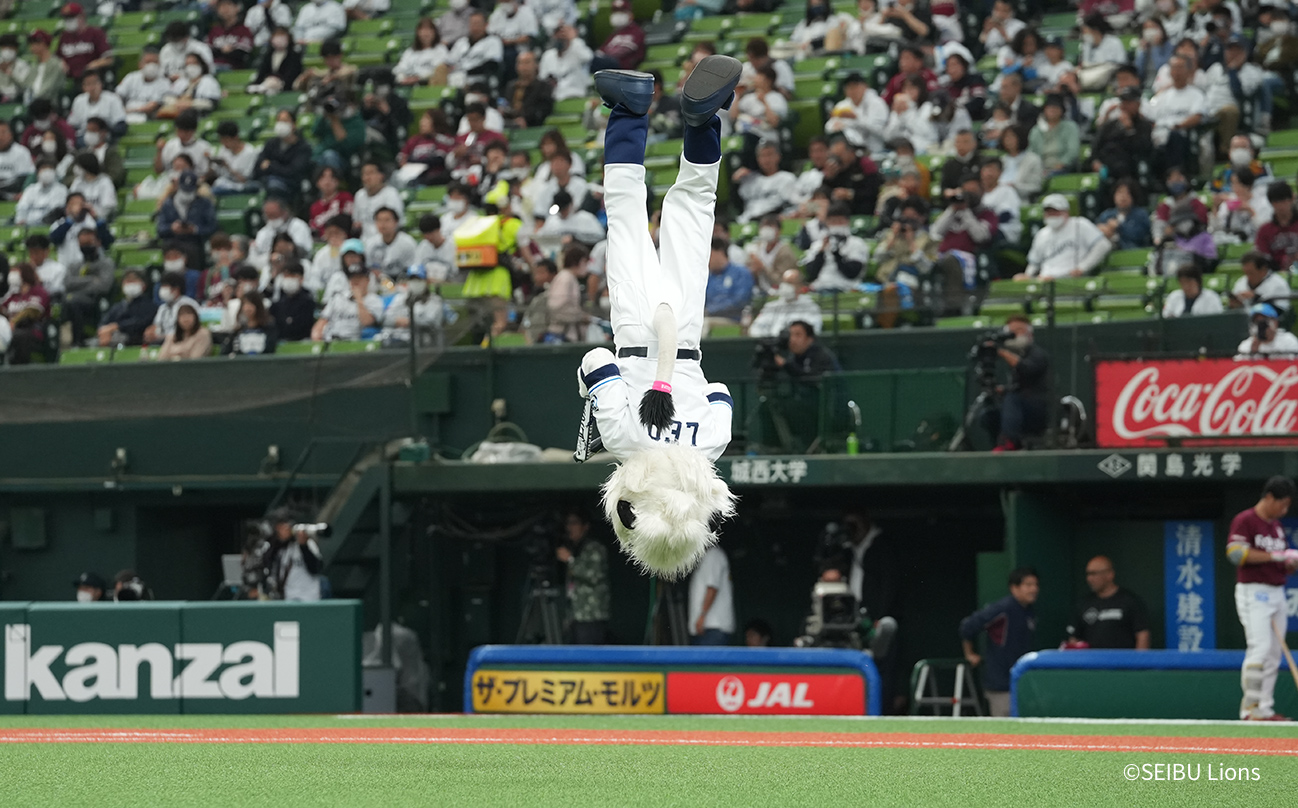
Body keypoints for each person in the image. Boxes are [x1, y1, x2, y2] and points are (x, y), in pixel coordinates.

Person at [574, 60, 741, 577]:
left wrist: (671, 390)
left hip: (687, 329)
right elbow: (597, 360)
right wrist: (588, 405)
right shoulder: (625, 441)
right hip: (636, 327)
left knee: (694, 208)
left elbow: (720, 393)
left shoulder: (712, 446)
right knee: (625, 214)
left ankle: (703, 121)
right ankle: (628, 107)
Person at [1227, 476, 1298, 721]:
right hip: (1253, 590)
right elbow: (1235, 554)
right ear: (1269, 497)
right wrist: (1276, 556)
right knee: (1260, 647)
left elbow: (1279, 559)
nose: (1284, 509)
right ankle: (1250, 709)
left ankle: (1264, 708)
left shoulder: (1276, 527)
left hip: (1276, 591)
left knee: (1274, 653)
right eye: (1282, 503)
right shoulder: (1245, 519)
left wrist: (1288, 562)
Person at [959, 567, 1039, 717]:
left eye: (1036, 585)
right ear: (1014, 588)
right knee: (1005, 733)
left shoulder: (1029, 611)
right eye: (1028, 585)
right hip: (1001, 685)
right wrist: (969, 653)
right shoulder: (1003, 608)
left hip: (1022, 684)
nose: (1034, 589)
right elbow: (967, 626)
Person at [1066, 556, 1151, 650]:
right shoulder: (1083, 604)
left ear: (1110, 574)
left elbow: (1142, 635)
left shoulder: (1130, 601)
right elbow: (1074, 638)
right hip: (1092, 662)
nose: (1089, 578)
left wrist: (1138, 662)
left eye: (1094, 574)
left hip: (1123, 662)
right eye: (1088, 574)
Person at [1018, 194, 1110, 279]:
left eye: (1055, 211)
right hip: (1045, 280)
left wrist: (1083, 267)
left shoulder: (1079, 224)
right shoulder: (1041, 234)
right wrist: (1027, 276)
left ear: (1066, 212)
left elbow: (1103, 245)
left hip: (1072, 280)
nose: (1052, 215)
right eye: (1048, 212)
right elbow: (1034, 263)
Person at [556, 510, 610, 644]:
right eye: (568, 523)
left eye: (574, 523)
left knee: (590, 657)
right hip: (574, 615)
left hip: (591, 615)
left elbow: (593, 576)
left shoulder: (595, 548)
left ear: (585, 526)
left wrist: (570, 560)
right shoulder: (574, 548)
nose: (569, 528)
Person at [1148, 55, 1206, 175]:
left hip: (1181, 133)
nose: (1176, 72)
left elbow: (1197, 116)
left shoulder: (1196, 94)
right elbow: (1151, 116)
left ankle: (1175, 177)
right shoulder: (1162, 96)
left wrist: (1178, 126)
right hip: (1158, 134)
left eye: (1180, 68)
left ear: (1188, 71)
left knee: (1174, 137)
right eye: (1174, 68)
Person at [61, 228, 115, 341]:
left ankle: (77, 340)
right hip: (74, 299)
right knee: (68, 301)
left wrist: (77, 287)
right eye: (82, 244)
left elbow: (103, 286)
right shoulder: (74, 265)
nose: (86, 246)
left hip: (95, 301)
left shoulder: (106, 263)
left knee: (72, 300)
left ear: (98, 242)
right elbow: (67, 283)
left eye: (89, 243)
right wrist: (91, 279)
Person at [801, 202, 869, 292]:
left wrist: (836, 253)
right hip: (820, 287)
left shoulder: (857, 243)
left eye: (840, 221)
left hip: (846, 288)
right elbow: (811, 274)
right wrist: (821, 252)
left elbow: (852, 273)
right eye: (833, 221)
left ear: (847, 222)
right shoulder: (817, 245)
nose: (837, 224)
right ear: (827, 223)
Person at [312, 256, 383, 341]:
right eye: (352, 278)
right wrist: (316, 335)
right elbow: (322, 321)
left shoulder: (374, 300)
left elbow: (367, 322)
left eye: (359, 278)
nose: (355, 282)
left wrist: (359, 299)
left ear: (367, 280)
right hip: (330, 340)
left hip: (355, 343)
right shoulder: (338, 298)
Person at [266, 510, 324, 601]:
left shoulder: (309, 544)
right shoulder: (281, 548)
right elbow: (269, 561)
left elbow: (316, 569)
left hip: (308, 598)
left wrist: (303, 546)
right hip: (289, 598)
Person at [254, 110, 312, 200]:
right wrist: (279, 168)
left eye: (285, 121)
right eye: (279, 121)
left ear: (294, 124)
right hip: (267, 180)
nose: (281, 124)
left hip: (292, 185)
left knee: (274, 186)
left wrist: (270, 165)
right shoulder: (271, 143)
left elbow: (293, 172)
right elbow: (258, 166)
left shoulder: (303, 147)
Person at [733, 141, 795, 224]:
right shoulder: (750, 179)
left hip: (773, 221)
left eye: (769, 155)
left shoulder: (787, 178)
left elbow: (793, 205)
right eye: (762, 156)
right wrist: (734, 183)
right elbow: (737, 204)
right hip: (747, 220)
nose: (766, 160)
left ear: (778, 156)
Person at [1, 262, 50, 364]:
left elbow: (33, 311)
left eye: (15, 272)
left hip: (32, 330)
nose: (12, 275)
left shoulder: (39, 291)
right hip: (11, 329)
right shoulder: (14, 295)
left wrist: (14, 321)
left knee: (19, 336)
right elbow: (3, 309)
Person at [98, 270, 158, 347]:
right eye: (128, 281)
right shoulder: (118, 306)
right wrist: (104, 330)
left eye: (134, 281)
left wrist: (117, 326)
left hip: (134, 338)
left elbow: (140, 322)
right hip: (112, 336)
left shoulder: (149, 305)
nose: (131, 284)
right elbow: (104, 321)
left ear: (144, 285)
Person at [56, 3, 112, 81]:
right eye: (66, 18)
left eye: (71, 17)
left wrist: (94, 65)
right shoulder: (64, 36)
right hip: (72, 79)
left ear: (82, 16)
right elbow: (57, 58)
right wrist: (61, 63)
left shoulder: (95, 33)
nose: (68, 21)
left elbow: (108, 59)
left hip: (93, 78)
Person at [353, 162, 405, 242]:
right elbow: (357, 222)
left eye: (371, 173)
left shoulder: (391, 194)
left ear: (381, 176)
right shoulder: (359, 195)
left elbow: (397, 223)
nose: (367, 177)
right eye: (364, 174)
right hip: (364, 242)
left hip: (386, 241)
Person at [144, 272, 200, 346]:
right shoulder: (162, 308)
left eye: (165, 286)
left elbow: (190, 329)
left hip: (183, 342)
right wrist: (150, 332)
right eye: (162, 286)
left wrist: (164, 337)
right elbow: (156, 327)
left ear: (176, 289)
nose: (162, 290)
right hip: (163, 342)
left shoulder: (188, 304)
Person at [745, 216, 799, 290]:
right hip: (758, 289)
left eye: (770, 226)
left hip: (779, 291)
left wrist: (762, 267)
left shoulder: (785, 252)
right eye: (764, 226)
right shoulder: (755, 248)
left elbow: (782, 281)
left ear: (779, 231)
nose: (766, 230)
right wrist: (753, 270)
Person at [67, 71, 125, 138]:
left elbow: (121, 124)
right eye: (88, 84)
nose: (92, 88)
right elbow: (72, 124)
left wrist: (106, 133)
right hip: (84, 137)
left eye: (95, 83)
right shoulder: (78, 100)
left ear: (101, 84)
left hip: (106, 137)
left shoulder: (113, 99)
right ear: (83, 87)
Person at [591, 0, 645, 72]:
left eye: (622, 11)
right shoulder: (615, 34)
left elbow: (625, 52)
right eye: (615, 11)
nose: (618, 15)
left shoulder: (637, 31)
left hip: (623, 66)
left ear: (630, 14)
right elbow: (601, 51)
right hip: (609, 64)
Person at [155, 110, 212, 176]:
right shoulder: (170, 145)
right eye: (178, 130)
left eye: (184, 131)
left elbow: (206, 172)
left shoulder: (204, 147)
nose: (180, 134)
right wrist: (159, 151)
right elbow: (158, 170)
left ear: (192, 131)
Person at [269, 259, 315, 342]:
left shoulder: (308, 301)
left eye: (292, 276)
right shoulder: (277, 303)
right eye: (286, 276)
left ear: (301, 278)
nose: (289, 279)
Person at [116, 50, 172, 118]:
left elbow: (152, 106)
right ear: (140, 64)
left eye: (155, 62)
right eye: (148, 62)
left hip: (147, 116)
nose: (151, 66)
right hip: (125, 113)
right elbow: (118, 96)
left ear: (160, 64)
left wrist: (129, 110)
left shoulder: (164, 82)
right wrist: (120, 110)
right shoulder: (131, 77)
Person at [1255, 183, 1298, 272]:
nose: (1281, 206)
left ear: (1292, 199)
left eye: (1284, 200)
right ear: (1271, 204)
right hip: (1275, 275)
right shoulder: (1265, 230)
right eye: (1276, 202)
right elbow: (1264, 257)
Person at [394, 18, 449, 86]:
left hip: (430, 84)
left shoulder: (440, 49)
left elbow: (440, 70)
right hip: (409, 84)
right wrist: (402, 77)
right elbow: (400, 68)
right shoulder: (410, 52)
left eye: (429, 30)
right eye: (423, 30)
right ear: (418, 32)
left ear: (435, 32)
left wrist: (419, 78)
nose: (426, 33)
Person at [365, 207, 419, 276]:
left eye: (387, 220)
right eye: (379, 220)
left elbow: (414, 267)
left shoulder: (408, 243)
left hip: (403, 280)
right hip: (378, 281)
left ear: (396, 222)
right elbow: (368, 267)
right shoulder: (370, 243)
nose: (382, 224)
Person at [249, 27, 303, 95]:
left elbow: (292, 74)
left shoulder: (294, 56)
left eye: (282, 37)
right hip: (269, 82)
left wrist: (279, 81)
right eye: (277, 37)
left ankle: (263, 88)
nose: (279, 40)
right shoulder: (268, 55)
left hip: (284, 86)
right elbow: (263, 72)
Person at [223, 291, 279, 356]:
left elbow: (270, 350)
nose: (247, 308)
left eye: (250, 304)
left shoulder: (269, 328)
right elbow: (226, 351)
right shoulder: (238, 331)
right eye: (245, 304)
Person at [209, 0, 256, 71]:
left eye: (228, 5)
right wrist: (224, 50)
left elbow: (241, 54)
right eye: (221, 6)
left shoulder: (244, 30)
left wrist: (219, 51)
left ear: (237, 8)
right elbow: (208, 51)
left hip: (235, 69)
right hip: (214, 66)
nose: (224, 9)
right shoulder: (214, 30)